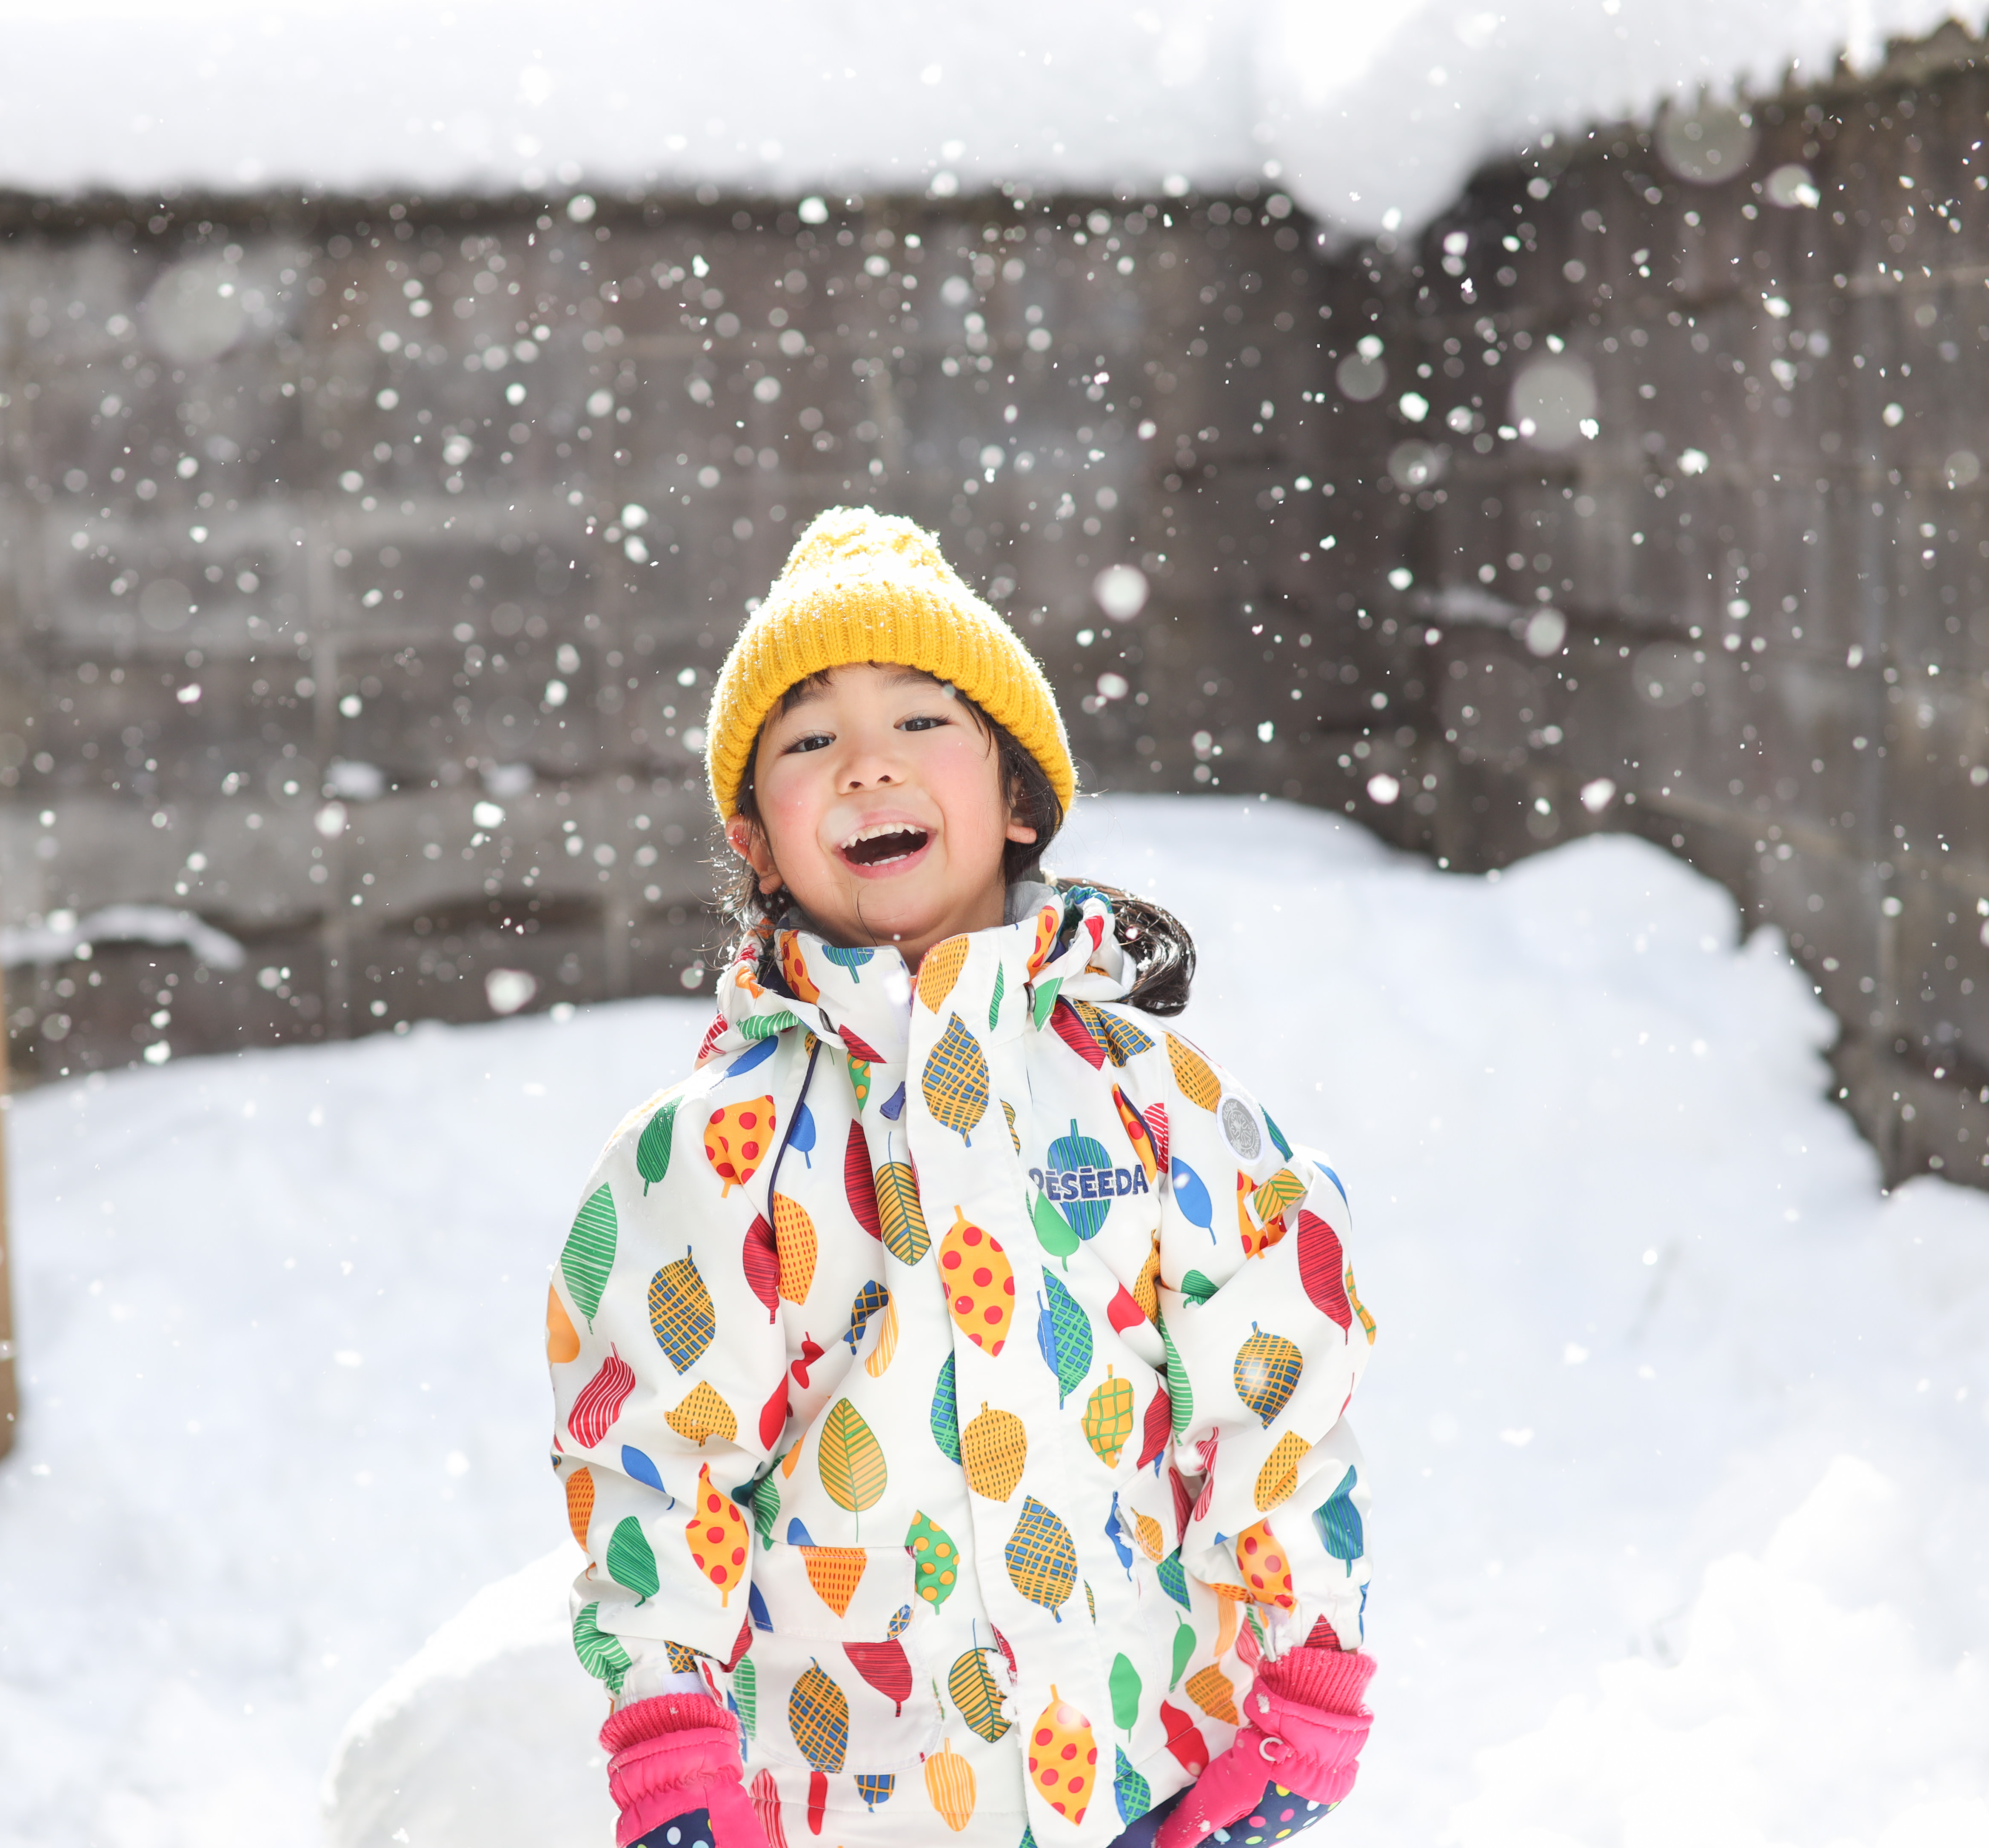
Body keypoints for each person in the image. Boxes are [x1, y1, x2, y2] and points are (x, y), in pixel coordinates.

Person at [547, 508, 1378, 1848]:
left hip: (1136, 1770)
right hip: (852, 1804)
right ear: (756, 841)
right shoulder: (712, 1148)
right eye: (808, 742)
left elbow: (1275, 1381)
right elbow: (656, 1462)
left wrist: (1308, 1676)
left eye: (921, 720)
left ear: (1018, 801)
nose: (867, 763)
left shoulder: (1147, 1099)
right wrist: (670, 1742)